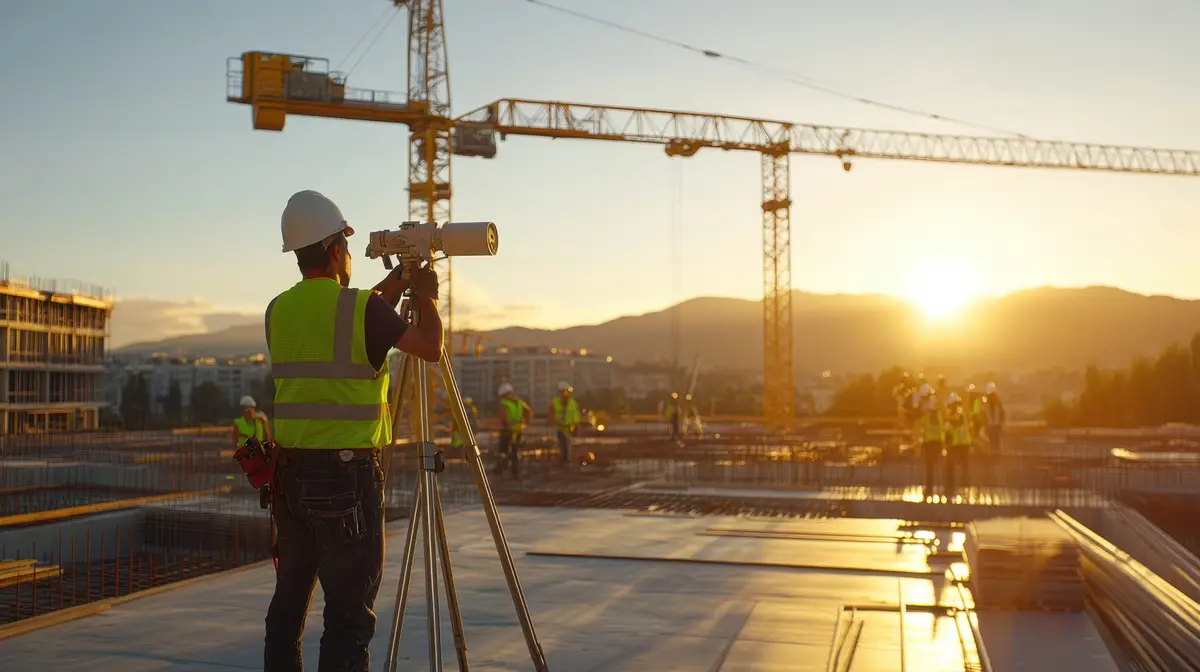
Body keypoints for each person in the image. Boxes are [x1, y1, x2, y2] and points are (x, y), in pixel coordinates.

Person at [263, 190, 443, 672]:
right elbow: (429, 346)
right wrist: (426, 293)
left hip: (290, 481)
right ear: (336, 250)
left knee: (288, 608)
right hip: (344, 480)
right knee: (347, 618)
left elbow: (347, 323)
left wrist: (394, 284)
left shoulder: (278, 309)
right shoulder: (362, 309)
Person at [498, 382, 531, 477]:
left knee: (503, 451)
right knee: (514, 451)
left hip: (507, 431)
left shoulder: (505, 403)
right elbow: (528, 411)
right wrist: (524, 423)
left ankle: (502, 469)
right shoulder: (520, 402)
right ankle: (515, 471)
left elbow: (503, 418)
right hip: (517, 431)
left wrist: (506, 425)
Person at [917, 383, 944, 500]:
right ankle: (940, 488)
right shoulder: (937, 412)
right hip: (937, 442)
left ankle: (930, 489)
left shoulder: (929, 413)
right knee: (936, 466)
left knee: (930, 467)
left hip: (930, 443)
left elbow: (925, 427)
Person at [943, 393, 972, 497]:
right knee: (954, 465)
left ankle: (964, 486)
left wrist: (947, 420)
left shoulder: (959, 413)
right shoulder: (955, 413)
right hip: (957, 443)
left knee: (963, 466)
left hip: (961, 443)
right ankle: (953, 485)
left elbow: (956, 423)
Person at [548, 381, 581, 466]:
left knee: (567, 444)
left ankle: (565, 459)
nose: (567, 393)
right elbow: (551, 413)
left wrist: (576, 425)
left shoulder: (572, 402)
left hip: (570, 427)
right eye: (566, 391)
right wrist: (554, 421)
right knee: (564, 445)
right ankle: (565, 460)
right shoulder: (555, 402)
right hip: (561, 427)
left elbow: (576, 414)